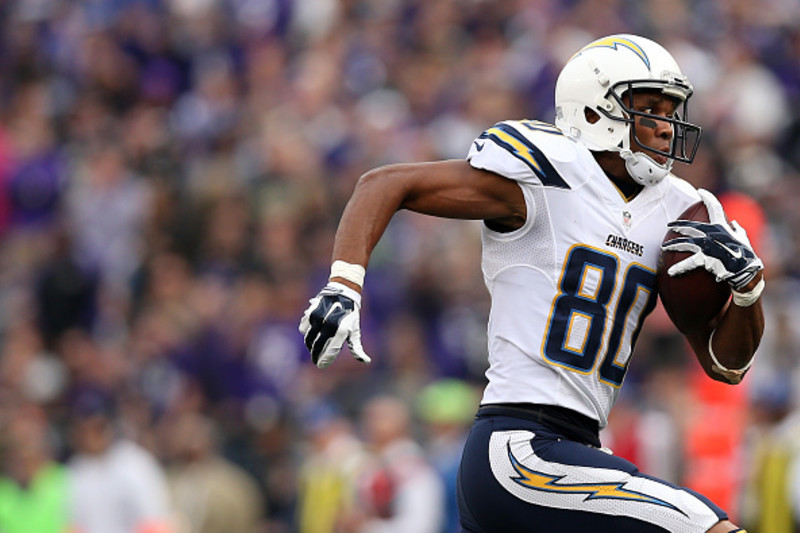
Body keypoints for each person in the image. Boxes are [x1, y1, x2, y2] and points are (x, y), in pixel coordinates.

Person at [299, 34, 765, 533]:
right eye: (649, 108)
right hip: (519, 447)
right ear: (593, 113)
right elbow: (385, 183)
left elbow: (726, 366)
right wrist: (344, 284)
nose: (666, 127)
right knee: (702, 525)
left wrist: (747, 290)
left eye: (671, 109)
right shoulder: (546, 173)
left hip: (578, 451)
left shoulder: (681, 211)